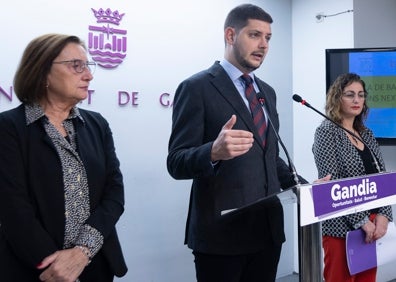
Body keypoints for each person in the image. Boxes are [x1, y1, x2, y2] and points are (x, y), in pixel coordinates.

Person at [167, 4, 310, 282]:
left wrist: (305, 187)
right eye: (255, 35)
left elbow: (270, 158)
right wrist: (213, 151)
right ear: (231, 35)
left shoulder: (265, 92)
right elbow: (176, 162)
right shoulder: (197, 88)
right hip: (222, 237)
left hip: (267, 232)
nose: (264, 45)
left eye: (268, 38)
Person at [0, 33, 127, 281]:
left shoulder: (97, 124)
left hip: (95, 264)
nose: (88, 75)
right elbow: (13, 209)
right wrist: (57, 266)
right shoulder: (8, 128)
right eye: (76, 66)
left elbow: (114, 194)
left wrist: (81, 253)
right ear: (42, 71)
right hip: (37, 269)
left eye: (87, 66)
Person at [312, 73, 393, 282]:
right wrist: (362, 221)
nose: (357, 100)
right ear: (337, 98)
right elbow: (332, 184)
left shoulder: (366, 133)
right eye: (350, 95)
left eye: (360, 95)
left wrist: (384, 216)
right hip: (342, 228)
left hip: (373, 226)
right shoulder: (326, 132)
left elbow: (382, 178)